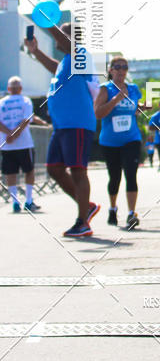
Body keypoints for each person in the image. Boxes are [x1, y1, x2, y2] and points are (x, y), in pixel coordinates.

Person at [24, 24, 100, 238]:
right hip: (62, 125)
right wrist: (35, 51)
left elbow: (69, 43)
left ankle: (83, 222)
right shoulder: (67, 61)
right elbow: (54, 66)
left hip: (77, 122)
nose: (57, 35)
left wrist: (48, 22)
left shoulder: (80, 53)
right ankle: (87, 206)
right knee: (54, 169)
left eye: (61, 31)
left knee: (77, 170)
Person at [94, 57, 143, 230]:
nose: (121, 70)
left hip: (131, 138)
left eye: (124, 67)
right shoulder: (105, 89)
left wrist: (140, 108)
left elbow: (134, 108)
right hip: (110, 141)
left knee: (131, 173)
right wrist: (115, 99)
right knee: (115, 177)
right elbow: (98, 113)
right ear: (111, 70)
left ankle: (131, 214)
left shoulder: (133, 89)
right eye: (117, 67)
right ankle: (113, 208)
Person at [0, 76, 51, 212]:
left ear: (8, 88)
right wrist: (15, 134)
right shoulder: (25, 100)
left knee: (11, 173)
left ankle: (15, 202)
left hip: (7, 143)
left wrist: (9, 134)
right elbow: (27, 119)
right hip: (24, 143)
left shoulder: (2, 102)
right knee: (29, 171)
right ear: (21, 88)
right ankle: (28, 200)